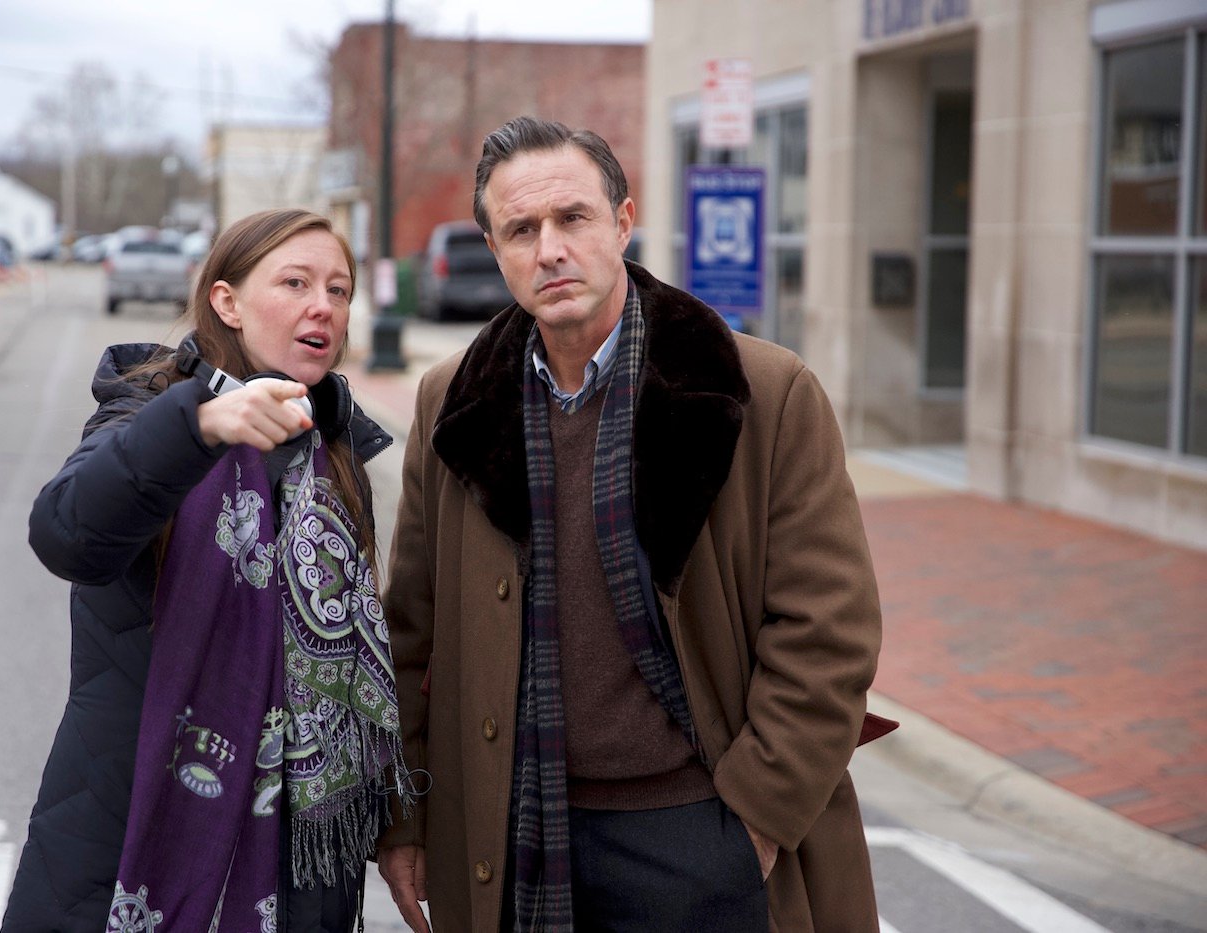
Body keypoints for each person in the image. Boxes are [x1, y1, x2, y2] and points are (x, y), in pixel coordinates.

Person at [376, 116, 884, 932]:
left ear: (621, 222)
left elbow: (830, 630)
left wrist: (753, 822)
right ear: (495, 249)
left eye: (573, 217)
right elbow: (409, 634)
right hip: (511, 833)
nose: (550, 249)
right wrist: (407, 813)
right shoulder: (452, 401)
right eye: (521, 229)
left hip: (696, 831)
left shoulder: (763, 391)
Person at [2, 209, 408, 933]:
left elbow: (359, 672)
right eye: (295, 283)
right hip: (133, 831)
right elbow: (66, 535)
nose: (323, 305)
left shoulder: (334, 448)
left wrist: (398, 824)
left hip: (296, 867)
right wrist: (199, 425)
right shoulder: (148, 410)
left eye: (339, 290)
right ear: (227, 301)